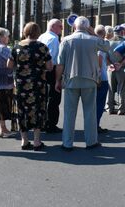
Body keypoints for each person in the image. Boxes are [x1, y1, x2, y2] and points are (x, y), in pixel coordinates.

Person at [56, 16, 110, 151]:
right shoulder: (93, 40)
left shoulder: (66, 40)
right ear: (87, 27)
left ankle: (67, 143)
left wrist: (58, 80)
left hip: (71, 79)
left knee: (69, 113)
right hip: (89, 79)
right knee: (90, 112)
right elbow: (107, 46)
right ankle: (91, 141)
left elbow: (60, 63)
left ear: (74, 26)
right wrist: (92, 32)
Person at [9, 22, 53, 151]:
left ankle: (24, 140)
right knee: (38, 110)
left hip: (21, 84)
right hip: (38, 84)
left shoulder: (17, 46)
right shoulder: (42, 47)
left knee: (22, 110)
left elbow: (9, 65)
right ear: (38, 32)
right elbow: (50, 66)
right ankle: (37, 141)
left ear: (25, 31)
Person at [38, 18, 63, 133]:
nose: (62, 28)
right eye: (60, 26)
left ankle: (43, 122)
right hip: (50, 72)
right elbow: (52, 59)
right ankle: (51, 124)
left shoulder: (42, 36)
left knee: (43, 98)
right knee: (53, 98)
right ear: (53, 26)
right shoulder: (54, 39)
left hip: (40, 71)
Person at [107, 26, 125, 115]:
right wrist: (121, 64)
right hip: (121, 67)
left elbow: (105, 56)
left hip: (110, 68)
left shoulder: (108, 42)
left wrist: (110, 64)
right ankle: (121, 109)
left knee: (110, 88)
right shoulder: (124, 42)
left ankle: (109, 108)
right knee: (121, 88)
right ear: (122, 32)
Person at [94, 25, 110, 133]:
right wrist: (99, 77)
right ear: (103, 33)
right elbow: (99, 60)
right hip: (101, 78)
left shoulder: (93, 42)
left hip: (95, 77)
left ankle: (94, 125)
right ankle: (95, 125)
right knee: (99, 103)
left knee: (96, 103)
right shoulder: (100, 44)